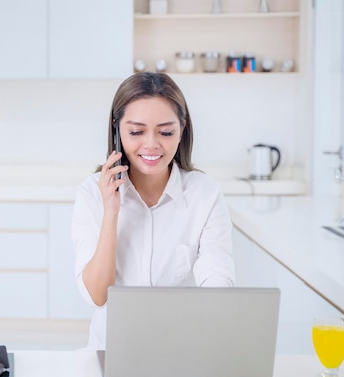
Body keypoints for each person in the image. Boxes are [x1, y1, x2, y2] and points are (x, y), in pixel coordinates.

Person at [71, 72, 235, 350]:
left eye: (166, 132)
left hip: (181, 351)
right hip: (112, 352)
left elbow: (217, 278)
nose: (151, 144)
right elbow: (98, 296)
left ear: (182, 129)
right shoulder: (92, 193)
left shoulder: (205, 194)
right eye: (136, 132)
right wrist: (111, 213)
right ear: (116, 129)